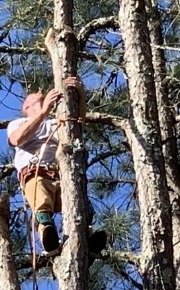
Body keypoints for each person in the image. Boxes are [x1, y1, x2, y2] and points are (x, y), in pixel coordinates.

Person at [7, 77, 106, 259]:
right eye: (37, 97)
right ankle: (47, 233)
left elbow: (77, 124)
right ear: (27, 106)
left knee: (79, 204)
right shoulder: (19, 123)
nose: (42, 94)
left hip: (63, 173)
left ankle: (85, 239)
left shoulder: (56, 122)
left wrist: (80, 96)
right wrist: (44, 112)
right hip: (36, 170)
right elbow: (17, 139)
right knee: (42, 202)